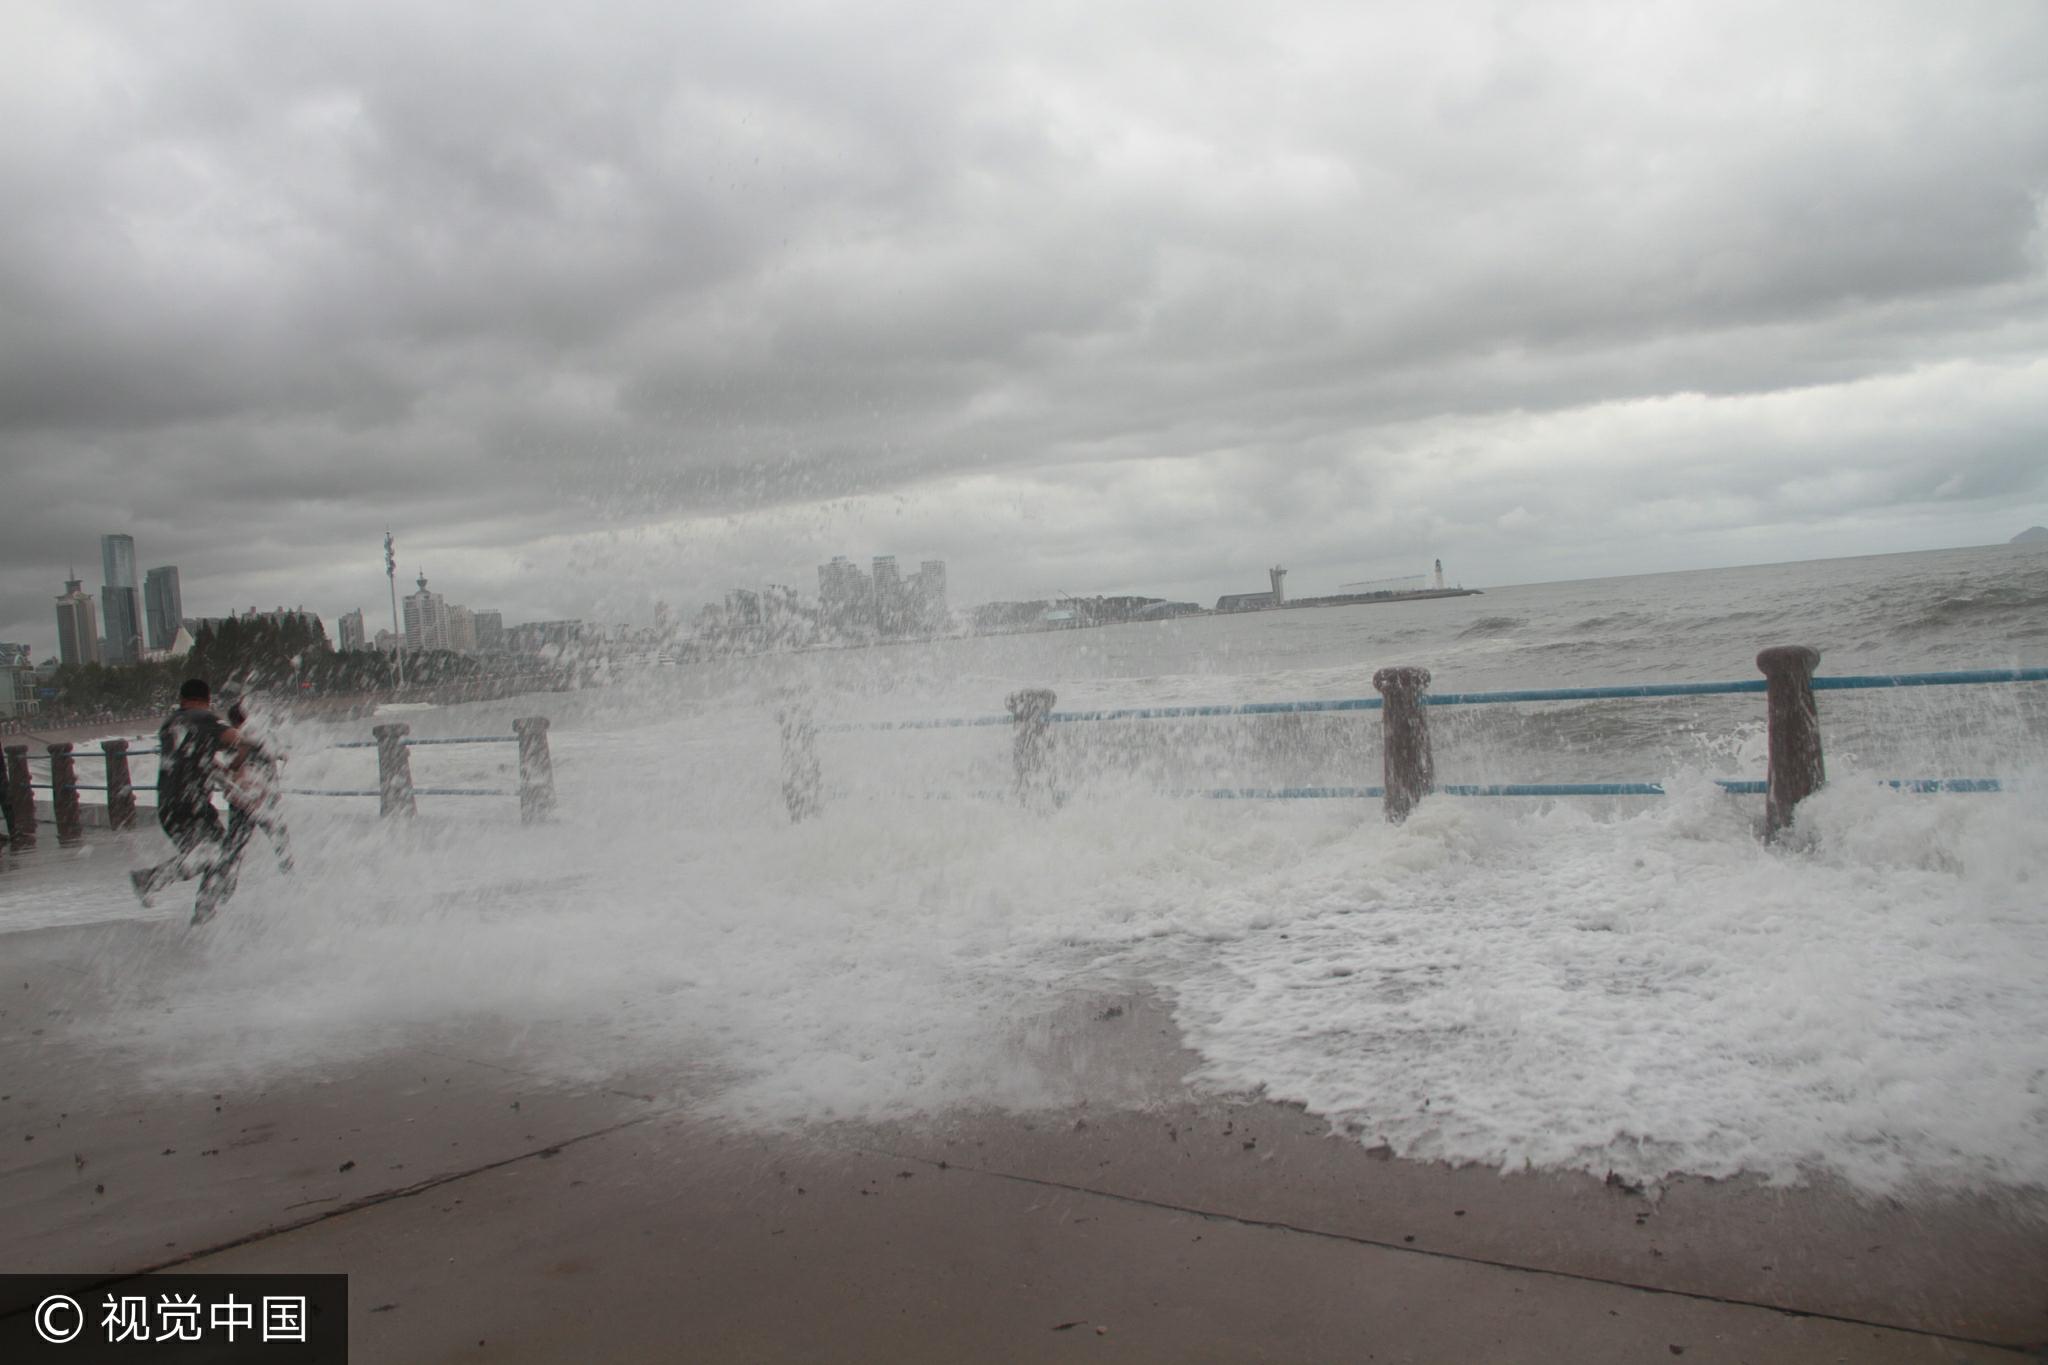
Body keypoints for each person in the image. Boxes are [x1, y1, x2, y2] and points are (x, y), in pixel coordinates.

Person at [131, 678, 245, 925]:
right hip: (191, 804)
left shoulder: (170, 724)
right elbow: (237, 739)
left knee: (207, 855)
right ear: (206, 699)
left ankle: (202, 910)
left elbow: (190, 759)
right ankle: (161, 885)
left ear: (182, 699)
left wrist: (220, 771)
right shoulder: (203, 718)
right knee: (218, 854)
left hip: (168, 806)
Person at [223, 698, 292, 875]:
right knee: (279, 838)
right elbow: (283, 755)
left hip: (241, 800)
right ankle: (291, 879)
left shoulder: (235, 737)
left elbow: (229, 767)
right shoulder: (261, 735)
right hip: (264, 797)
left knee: (236, 845)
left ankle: (223, 886)